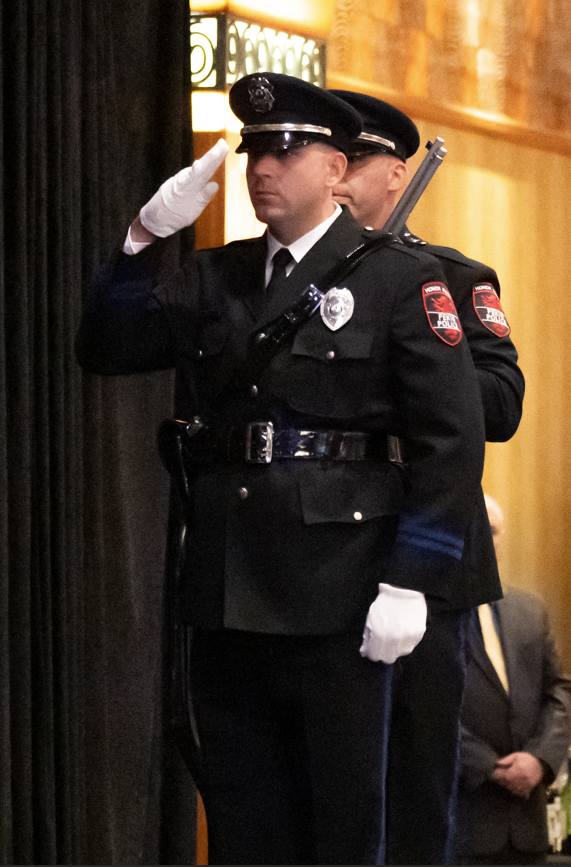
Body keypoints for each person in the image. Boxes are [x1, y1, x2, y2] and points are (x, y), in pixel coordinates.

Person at [76, 72, 491, 865]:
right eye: (256, 151)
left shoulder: (397, 279)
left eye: (287, 151)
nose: (263, 167)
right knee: (246, 827)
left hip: (342, 591)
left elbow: (451, 437)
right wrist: (142, 236)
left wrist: (413, 578)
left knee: (344, 828)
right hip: (230, 587)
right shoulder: (217, 276)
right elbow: (106, 347)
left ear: (335, 169)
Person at [329, 88, 525, 865]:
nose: (336, 178)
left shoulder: (451, 277)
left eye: (354, 162)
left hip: (427, 554)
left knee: (412, 782)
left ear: (394, 174)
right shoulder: (296, 286)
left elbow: (501, 404)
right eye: (327, 160)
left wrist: (412, 358)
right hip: (318, 556)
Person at [455, 494, 571, 865]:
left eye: (492, 531)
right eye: (475, 530)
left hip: (527, 829)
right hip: (461, 823)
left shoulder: (530, 610)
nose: (485, 540)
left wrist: (540, 759)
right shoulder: (427, 618)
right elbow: (422, 709)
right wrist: (489, 767)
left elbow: (559, 692)